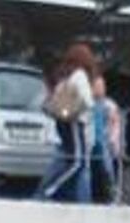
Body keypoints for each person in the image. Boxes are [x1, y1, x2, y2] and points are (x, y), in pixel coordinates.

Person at [34, 44, 96, 203]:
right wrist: (79, 111)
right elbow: (88, 102)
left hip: (62, 123)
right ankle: (50, 192)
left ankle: (49, 194)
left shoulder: (65, 76)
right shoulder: (80, 75)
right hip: (75, 124)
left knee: (68, 161)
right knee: (77, 163)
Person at [90, 75, 122, 203]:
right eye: (96, 86)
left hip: (104, 141)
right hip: (89, 140)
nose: (99, 89)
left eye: (101, 86)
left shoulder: (109, 105)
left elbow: (115, 124)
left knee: (106, 164)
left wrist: (114, 140)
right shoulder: (88, 103)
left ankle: (112, 192)